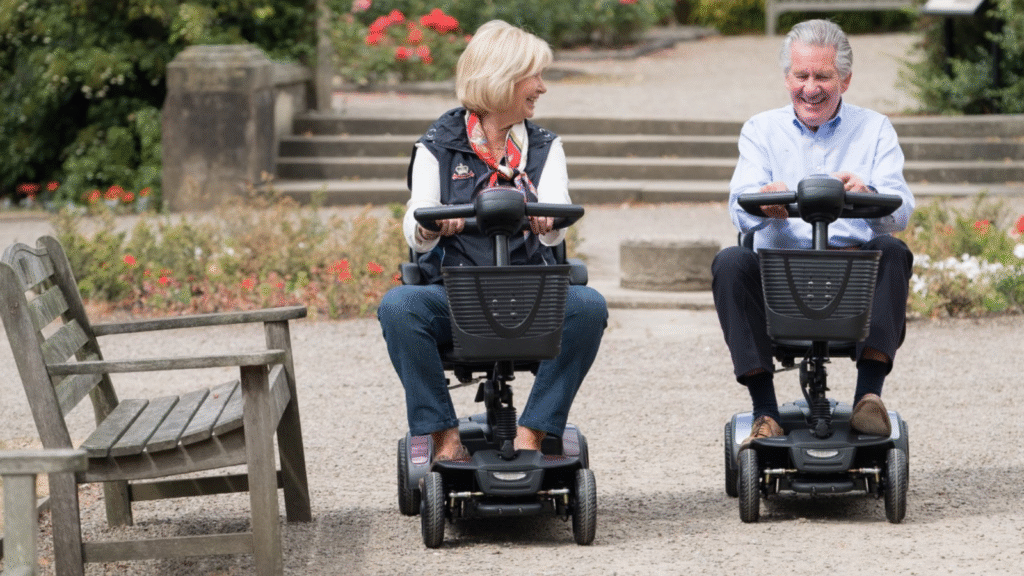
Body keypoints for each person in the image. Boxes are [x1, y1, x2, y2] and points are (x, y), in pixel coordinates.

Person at [377, 20, 608, 463]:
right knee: (398, 307)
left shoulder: (544, 147)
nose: (542, 87)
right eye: (534, 76)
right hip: (458, 296)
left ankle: (533, 432)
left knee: (589, 306)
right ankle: (445, 438)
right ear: (502, 78)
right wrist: (429, 227)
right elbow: (417, 219)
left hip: (530, 294)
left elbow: (558, 213)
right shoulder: (437, 145)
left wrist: (547, 219)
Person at [712, 19, 915, 448]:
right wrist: (763, 202)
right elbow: (738, 208)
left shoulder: (875, 128)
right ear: (787, 77)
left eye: (823, 76)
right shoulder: (761, 129)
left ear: (845, 79)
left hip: (851, 278)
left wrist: (868, 192)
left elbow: (901, 210)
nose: (811, 88)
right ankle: (765, 410)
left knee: (892, 252)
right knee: (730, 262)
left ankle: (868, 399)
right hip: (779, 276)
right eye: (801, 76)